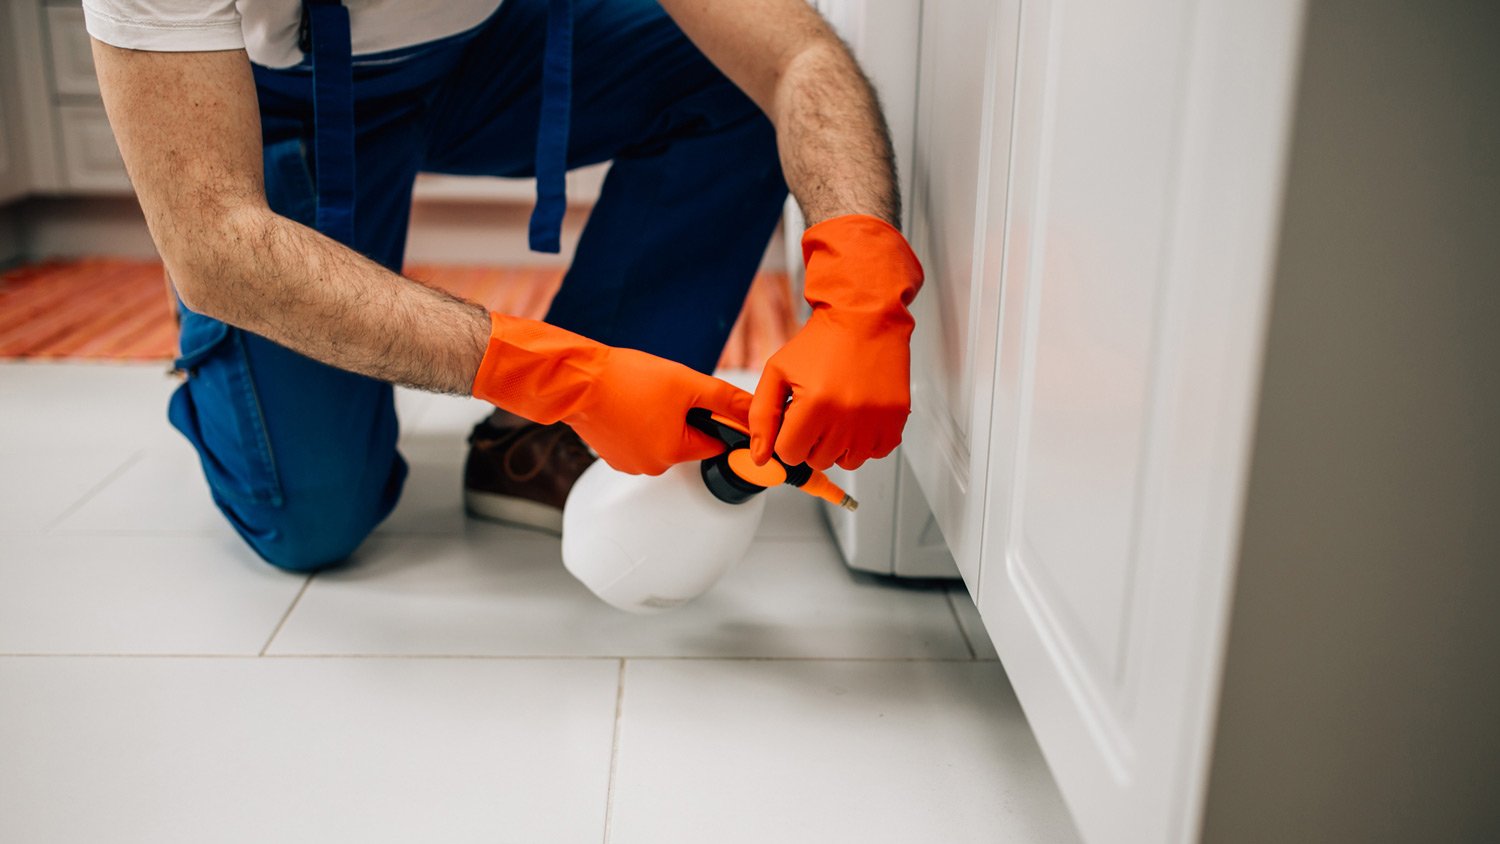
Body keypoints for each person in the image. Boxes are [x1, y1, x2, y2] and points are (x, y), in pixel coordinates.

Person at [85, 0, 924, 571]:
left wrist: (864, 293)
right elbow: (214, 239)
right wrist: (559, 370)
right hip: (281, 94)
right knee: (312, 523)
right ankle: (240, 341)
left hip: (486, 50)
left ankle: (541, 445)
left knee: (727, 73)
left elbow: (795, 54)